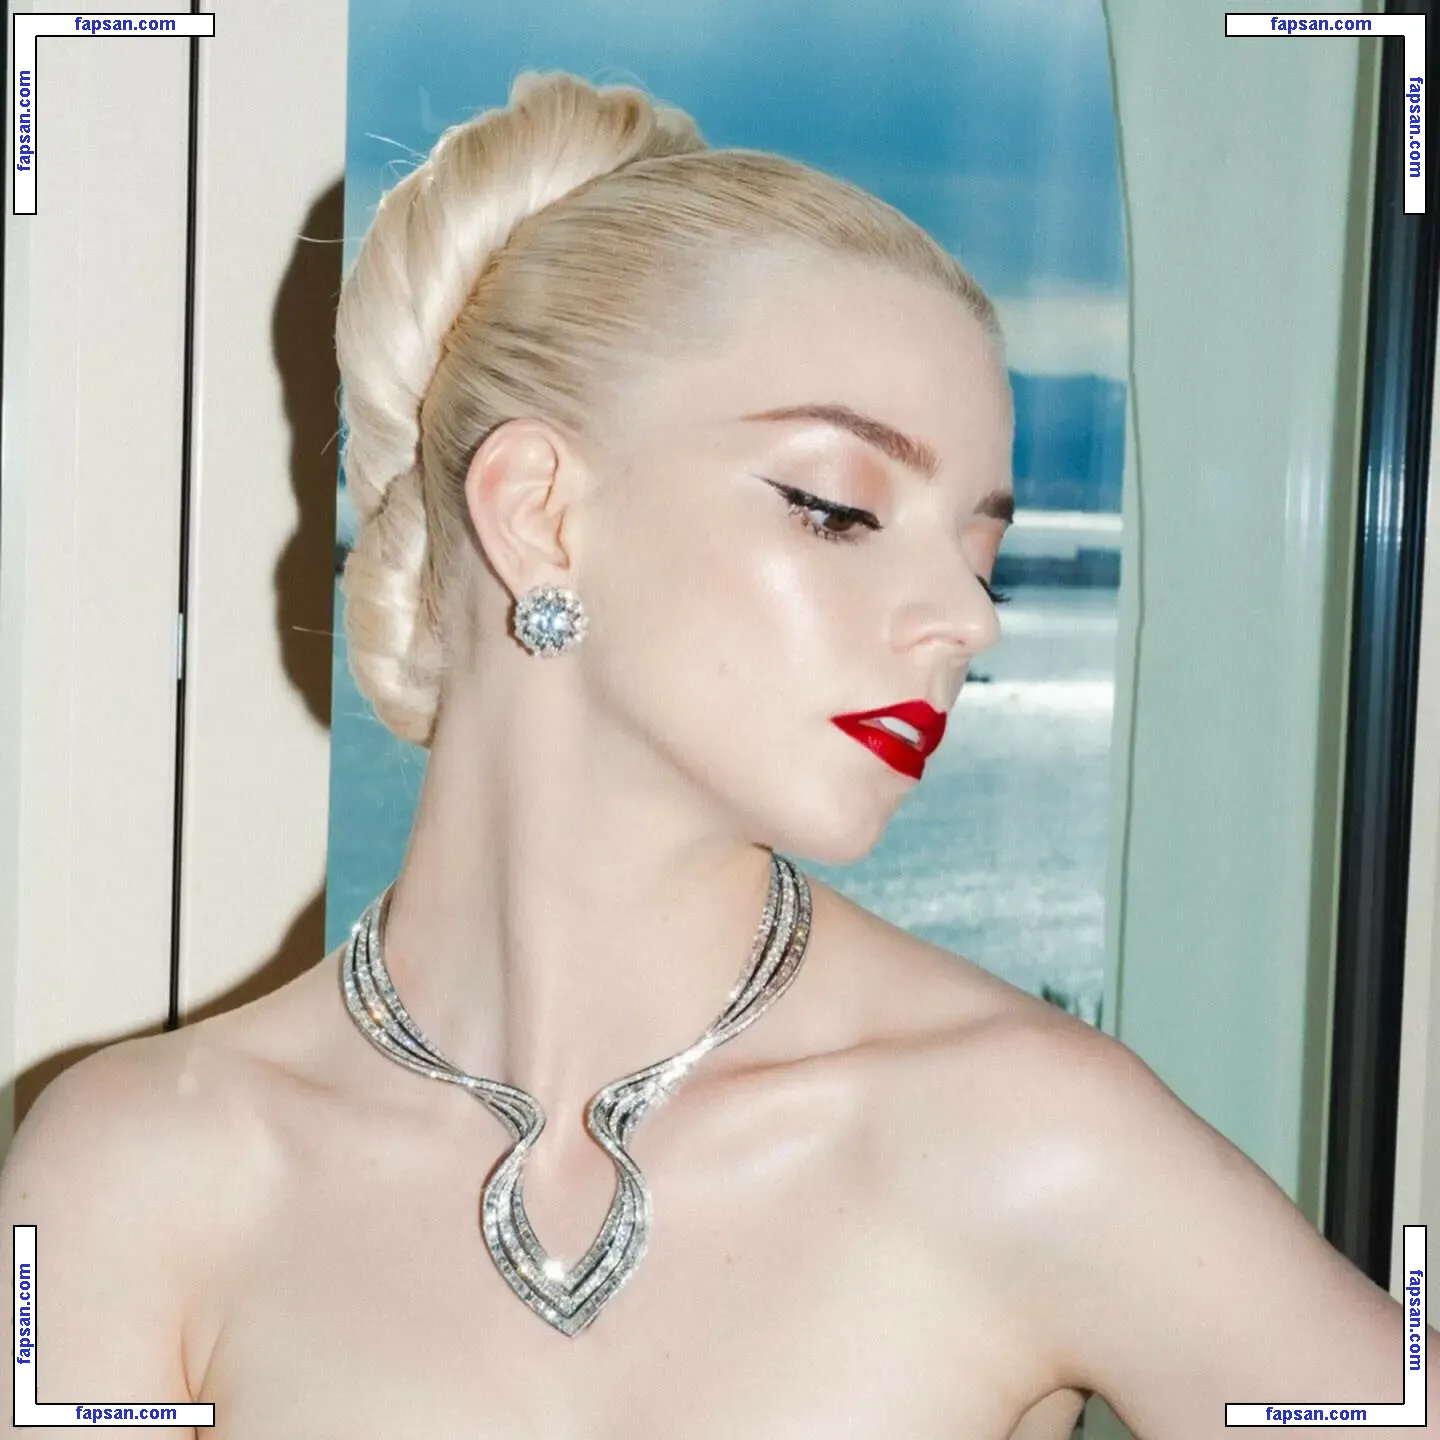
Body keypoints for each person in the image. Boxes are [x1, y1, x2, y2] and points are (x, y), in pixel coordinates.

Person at [1, 69, 1433, 1440]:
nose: (967, 619)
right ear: (540, 512)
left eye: (981, 547)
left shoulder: (1031, 1138)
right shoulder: (134, 1175)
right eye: (839, 508)